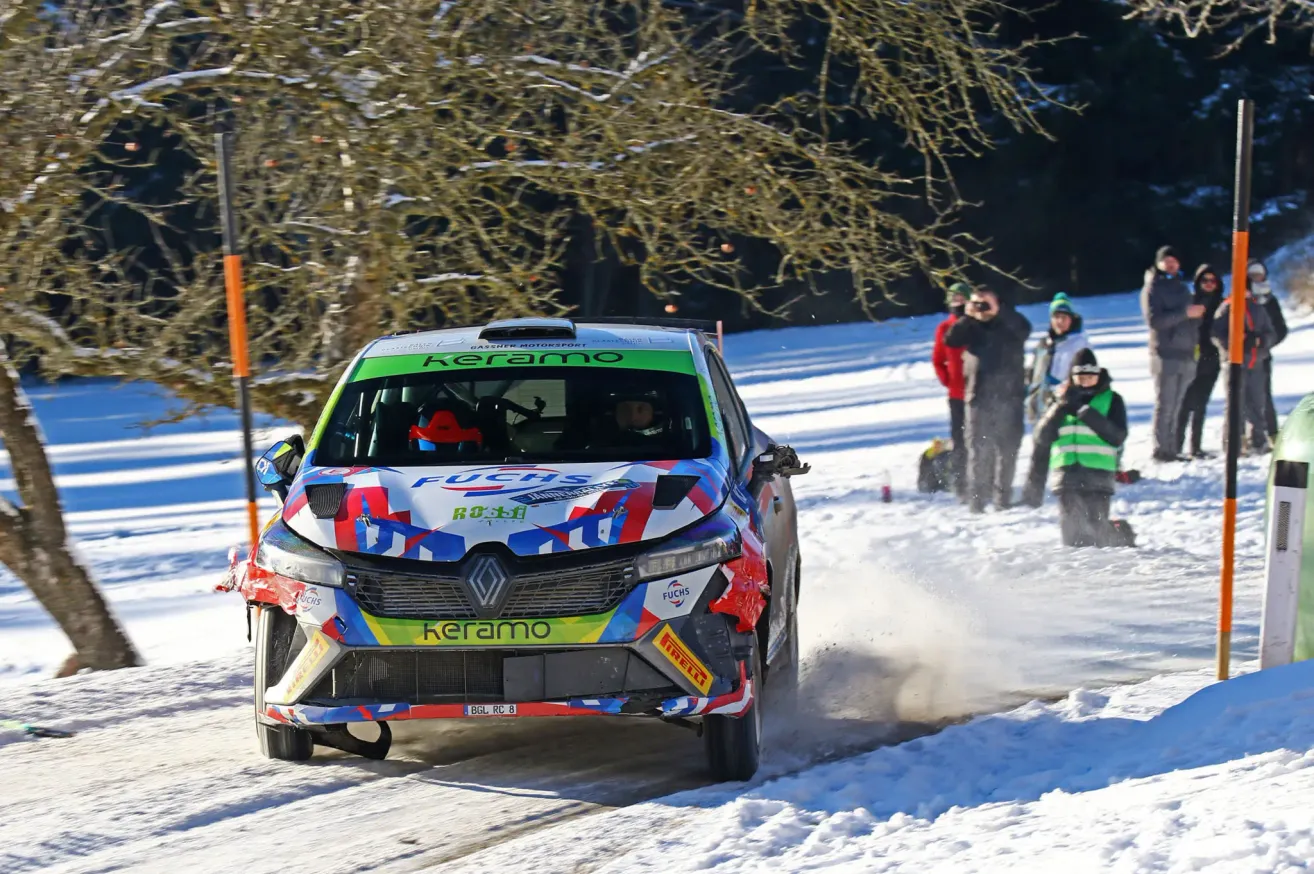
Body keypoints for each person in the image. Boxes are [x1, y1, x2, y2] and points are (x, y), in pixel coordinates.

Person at [1022, 349, 1133, 547]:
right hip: (1067, 474)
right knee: (1072, 533)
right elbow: (1042, 437)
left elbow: (1117, 436)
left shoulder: (1112, 400)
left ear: (1098, 376)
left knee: (1097, 529)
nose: (1085, 381)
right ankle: (1077, 571)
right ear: (1072, 377)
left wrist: (1084, 411)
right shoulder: (1058, 401)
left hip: (1099, 474)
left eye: (1090, 376)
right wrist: (1059, 408)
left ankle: (1120, 536)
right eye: (1080, 377)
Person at [944, 284, 1032, 513]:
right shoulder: (971, 325)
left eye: (985, 302)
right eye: (977, 302)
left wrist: (998, 310)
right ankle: (977, 502)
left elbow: (1025, 329)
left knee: (1008, 450)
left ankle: (1002, 500)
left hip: (1009, 396)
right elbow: (951, 340)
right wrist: (967, 315)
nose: (982, 307)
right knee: (978, 450)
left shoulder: (1011, 322)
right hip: (978, 397)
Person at [1141, 245, 1206, 462]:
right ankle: (1162, 450)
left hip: (1187, 353)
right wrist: (1185, 313)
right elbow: (1155, 321)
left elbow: (1187, 320)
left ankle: (1171, 448)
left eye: (1174, 261)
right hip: (1165, 354)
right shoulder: (1152, 288)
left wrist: (1196, 318)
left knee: (1177, 405)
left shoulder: (1182, 287)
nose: (1171, 264)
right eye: (1166, 260)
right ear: (1158, 263)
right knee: (1165, 404)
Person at [1213, 287, 1277, 454]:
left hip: (1256, 361)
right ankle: (1232, 443)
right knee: (1235, 403)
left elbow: (1271, 333)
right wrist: (1233, 343)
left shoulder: (1257, 308)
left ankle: (1257, 440)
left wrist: (1260, 341)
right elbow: (1216, 334)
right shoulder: (1227, 308)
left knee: (1257, 402)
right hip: (1234, 363)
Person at [1175, 264, 1225, 459]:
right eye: (1205, 280)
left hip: (1213, 358)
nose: (1209, 284)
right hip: (1191, 358)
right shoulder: (1191, 303)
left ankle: (1196, 446)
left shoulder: (1223, 304)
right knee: (1185, 403)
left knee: (1201, 403)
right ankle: (1177, 444)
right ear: (1198, 282)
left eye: (1213, 280)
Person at [1026, 293, 1090, 424]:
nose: (1060, 321)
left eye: (1064, 317)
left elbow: (1087, 378)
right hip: (1040, 405)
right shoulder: (1043, 344)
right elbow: (1033, 373)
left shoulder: (1080, 344)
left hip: (1065, 406)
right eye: (1056, 317)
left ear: (1071, 318)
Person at [932, 282, 970, 499]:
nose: (958, 302)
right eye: (954, 299)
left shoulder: (976, 325)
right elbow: (938, 359)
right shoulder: (944, 328)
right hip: (956, 395)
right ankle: (962, 482)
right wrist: (948, 380)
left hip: (979, 394)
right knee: (960, 439)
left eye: (961, 298)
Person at [1247, 260, 1288, 439]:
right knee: (1242, 396)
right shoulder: (1241, 298)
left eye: (1259, 273)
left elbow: (1281, 329)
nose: (1257, 277)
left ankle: (1271, 433)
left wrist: (1265, 342)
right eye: (1253, 274)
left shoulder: (1270, 299)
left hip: (1262, 354)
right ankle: (1243, 436)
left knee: (1264, 395)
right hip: (1241, 355)